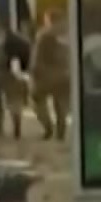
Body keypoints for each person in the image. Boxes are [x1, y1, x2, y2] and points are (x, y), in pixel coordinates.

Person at [31, 10, 72, 140]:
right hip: (65, 74)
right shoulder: (70, 34)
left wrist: (34, 72)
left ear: (49, 20)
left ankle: (47, 126)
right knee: (61, 105)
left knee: (37, 100)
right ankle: (61, 132)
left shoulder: (44, 35)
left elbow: (37, 58)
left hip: (46, 76)